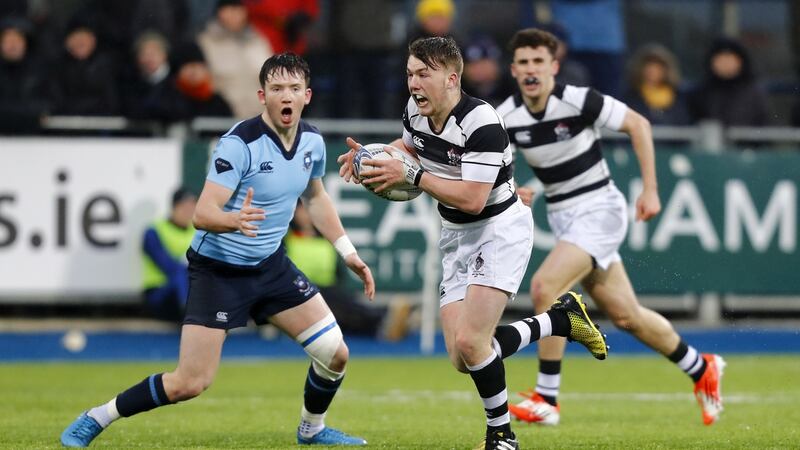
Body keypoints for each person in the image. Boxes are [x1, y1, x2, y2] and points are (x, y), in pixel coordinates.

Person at [61, 53, 375, 447]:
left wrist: (347, 251)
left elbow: (315, 197)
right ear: (263, 96)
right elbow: (203, 213)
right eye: (277, 88)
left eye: (294, 88)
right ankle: (98, 417)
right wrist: (234, 221)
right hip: (218, 271)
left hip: (270, 267)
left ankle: (311, 430)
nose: (286, 96)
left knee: (336, 354)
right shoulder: (239, 143)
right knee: (189, 383)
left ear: (307, 95)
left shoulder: (312, 141)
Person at [337, 36, 607, 450]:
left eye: (423, 75)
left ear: (452, 78)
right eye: (410, 74)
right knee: (462, 357)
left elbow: (472, 197)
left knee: (472, 342)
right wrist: (370, 162)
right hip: (455, 234)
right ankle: (559, 320)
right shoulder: (415, 110)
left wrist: (410, 177)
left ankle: (501, 435)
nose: (413, 84)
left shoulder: (481, 121)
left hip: (498, 229)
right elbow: (411, 148)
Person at [495, 28, 725, 428]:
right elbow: (497, 167)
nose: (532, 70)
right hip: (566, 216)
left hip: (600, 208)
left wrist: (650, 190)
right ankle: (700, 367)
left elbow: (639, 125)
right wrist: (515, 188)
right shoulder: (504, 116)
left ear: (554, 66)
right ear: (514, 70)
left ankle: (547, 398)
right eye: (524, 63)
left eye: (539, 62)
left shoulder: (578, 99)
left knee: (545, 288)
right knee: (627, 316)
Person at [286, 201, 411, 341]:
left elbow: (337, 272)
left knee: (344, 306)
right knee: (337, 308)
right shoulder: (287, 238)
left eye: (307, 210)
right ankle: (385, 318)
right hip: (300, 293)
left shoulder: (326, 239)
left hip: (328, 290)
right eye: (301, 211)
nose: (305, 215)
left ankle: (384, 322)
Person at [198, 0, 273, 119]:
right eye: (228, 8)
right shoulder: (206, 43)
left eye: (238, 9)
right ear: (218, 12)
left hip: (260, 118)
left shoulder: (258, 41)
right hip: (222, 121)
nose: (234, 14)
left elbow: (272, 80)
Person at [141, 188, 197, 322]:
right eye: (184, 207)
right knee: (181, 273)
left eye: (192, 207)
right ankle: (191, 315)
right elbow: (167, 266)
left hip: (189, 288)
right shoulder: (154, 231)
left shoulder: (198, 231)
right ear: (174, 208)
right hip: (159, 292)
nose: (189, 212)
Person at [688, 37, 769, 127]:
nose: (725, 64)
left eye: (730, 59)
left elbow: (763, 124)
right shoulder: (701, 92)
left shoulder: (753, 92)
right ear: (711, 62)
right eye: (720, 59)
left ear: (740, 62)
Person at [623, 43, 690, 125]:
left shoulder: (680, 97)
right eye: (649, 67)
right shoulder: (630, 97)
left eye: (658, 67)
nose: (653, 71)